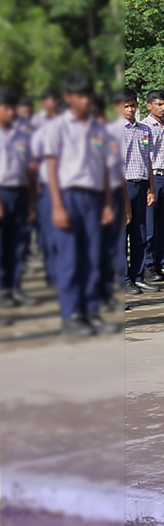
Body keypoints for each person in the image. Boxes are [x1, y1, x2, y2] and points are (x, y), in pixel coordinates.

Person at [36, 75, 119, 336]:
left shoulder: (97, 128)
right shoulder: (58, 127)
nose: (85, 100)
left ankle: (90, 312)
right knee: (70, 257)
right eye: (79, 96)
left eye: (88, 96)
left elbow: (104, 168)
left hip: (94, 198)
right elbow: (51, 168)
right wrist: (57, 207)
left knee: (93, 256)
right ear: (69, 98)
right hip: (67, 195)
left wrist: (107, 203)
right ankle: (72, 314)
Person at [117, 88, 158, 299]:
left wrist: (151, 187)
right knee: (122, 232)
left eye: (133, 105)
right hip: (122, 185)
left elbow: (148, 160)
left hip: (141, 183)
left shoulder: (144, 130)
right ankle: (123, 279)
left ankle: (138, 275)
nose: (130, 109)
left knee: (141, 232)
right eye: (126, 106)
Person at [139, 89, 164, 282]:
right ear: (149, 106)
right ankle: (148, 265)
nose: (163, 108)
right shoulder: (143, 127)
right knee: (149, 225)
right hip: (152, 178)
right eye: (159, 104)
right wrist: (149, 186)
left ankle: (163, 262)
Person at [0, 89, 32, 307]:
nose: (11, 112)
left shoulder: (22, 134)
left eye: (13, 108)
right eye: (7, 108)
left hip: (21, 192)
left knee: (19, 243)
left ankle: (15, 287)